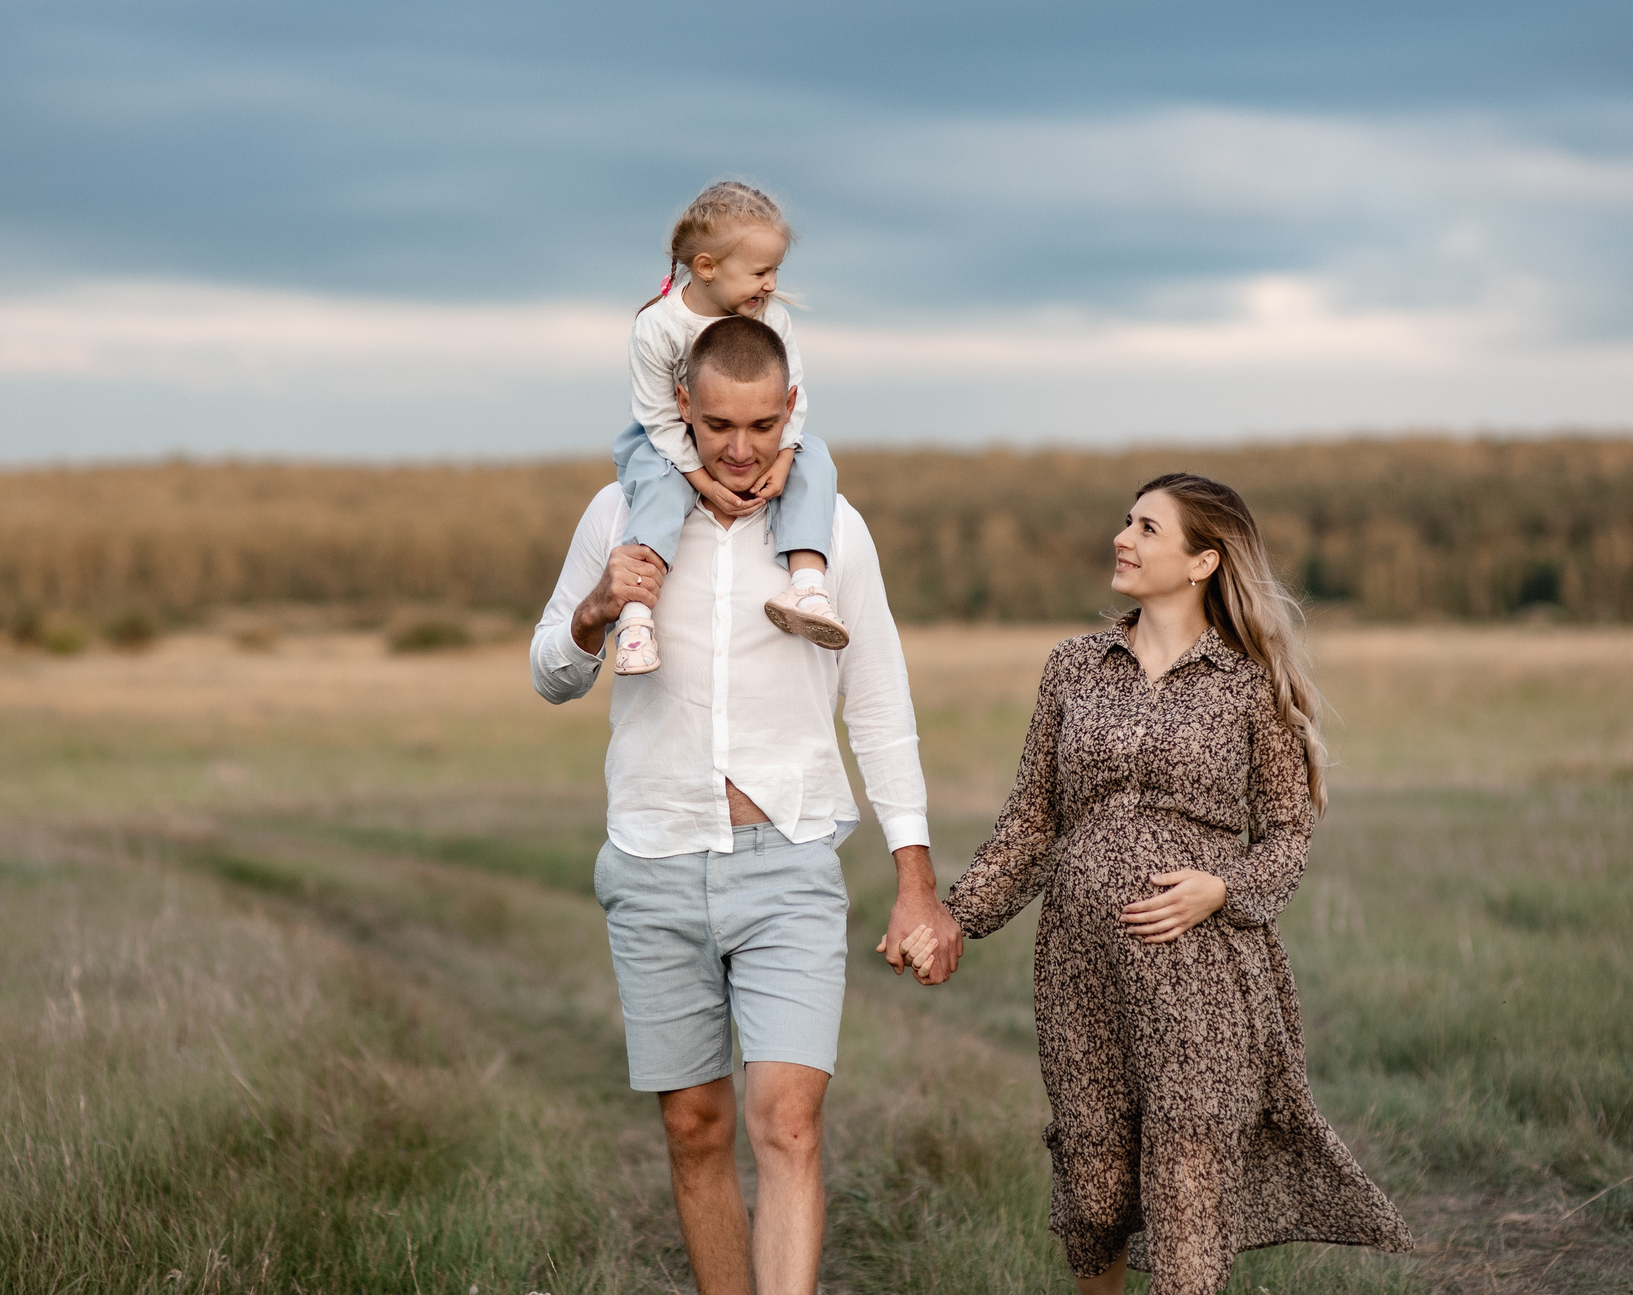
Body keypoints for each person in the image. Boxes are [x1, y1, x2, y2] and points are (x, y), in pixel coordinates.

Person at [530, 314, 966, 1295]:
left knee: (787, 1121)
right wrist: (595, 613)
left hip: (789, 862)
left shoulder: (832, 531)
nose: (738, 446)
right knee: (696, 1127)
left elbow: (882, 704)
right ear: (679, 406)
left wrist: (915, 880)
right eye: (718, 422)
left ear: (791, 411)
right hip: (652, 860)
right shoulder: (617, 516)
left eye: (761, 425)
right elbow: (549, 670)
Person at [940, 472, 1414, 1294]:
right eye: (1127, 522)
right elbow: (1031, 820)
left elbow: (1287, 833)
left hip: (1200, 975)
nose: (1123, 538)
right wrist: (954, 918)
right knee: (1094, 1193)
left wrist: (1220, 889)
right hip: (1082, 972)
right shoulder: (1073, 668)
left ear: (1203, 561)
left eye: (1148, 528)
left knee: (1188, 1184)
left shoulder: (1247, 683)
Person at [609, 180, 843, 678]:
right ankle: (635, 615)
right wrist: (703, 482)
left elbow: (791, 400)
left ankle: (807, 584)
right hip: (667, 439)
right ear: (707, 267)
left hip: (750, 448)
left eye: (775, 270)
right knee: (657, 480)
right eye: (760, 272)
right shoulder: (659, 327)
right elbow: (656, 417)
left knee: (816, 460)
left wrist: (783, 461)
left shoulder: (771, 320)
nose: (771, 285)